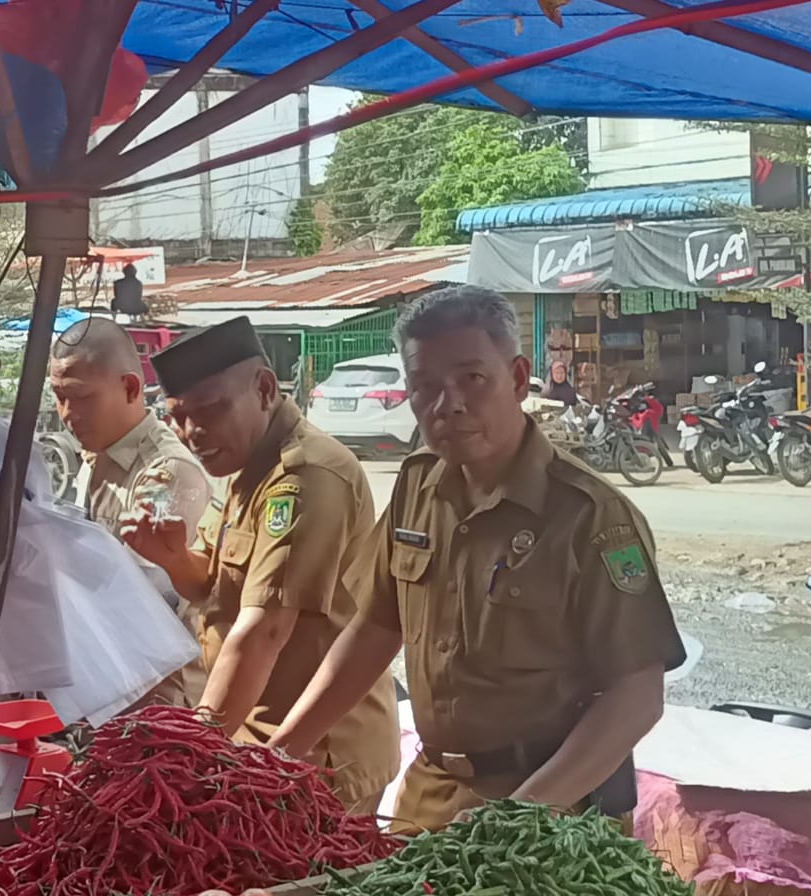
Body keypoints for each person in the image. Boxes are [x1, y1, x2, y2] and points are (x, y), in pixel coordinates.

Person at [271, 286, 684, 832]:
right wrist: (280, 752)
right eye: (425, 387)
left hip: (555, 813)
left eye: (472, 379)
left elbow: (637, 694)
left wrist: (520, 818)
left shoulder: (590, 516)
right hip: (432, 794)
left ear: (516, 378)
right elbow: (375, 627)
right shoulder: (417, 486)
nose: (450, 404)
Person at [121, 317, 398, 812]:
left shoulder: (305, 476)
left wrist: (193, 754)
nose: (191, 432)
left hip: (313, 755)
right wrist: (172, 558)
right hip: (256, 740)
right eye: (177, 416)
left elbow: (264, 630)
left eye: (210, 410)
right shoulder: (248, 464)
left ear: (265, 389)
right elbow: (213, 588)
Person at [49, 316, 210, 706]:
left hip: (157, 693)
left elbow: (139, 596)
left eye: (82, 397)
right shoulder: (98, 455)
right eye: (58, 396)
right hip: (108, 681)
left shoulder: (166, 472)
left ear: (130, 388)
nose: (68, 413)